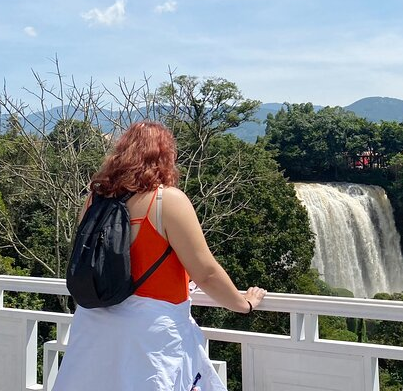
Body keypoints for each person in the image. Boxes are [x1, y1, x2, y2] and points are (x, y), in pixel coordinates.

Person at [53, 121, 267, 391]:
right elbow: (207, 273)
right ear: (165, 158)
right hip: (150, 334)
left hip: (93, 327)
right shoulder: (167, 201)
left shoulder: (93, 201)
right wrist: (243, 304)